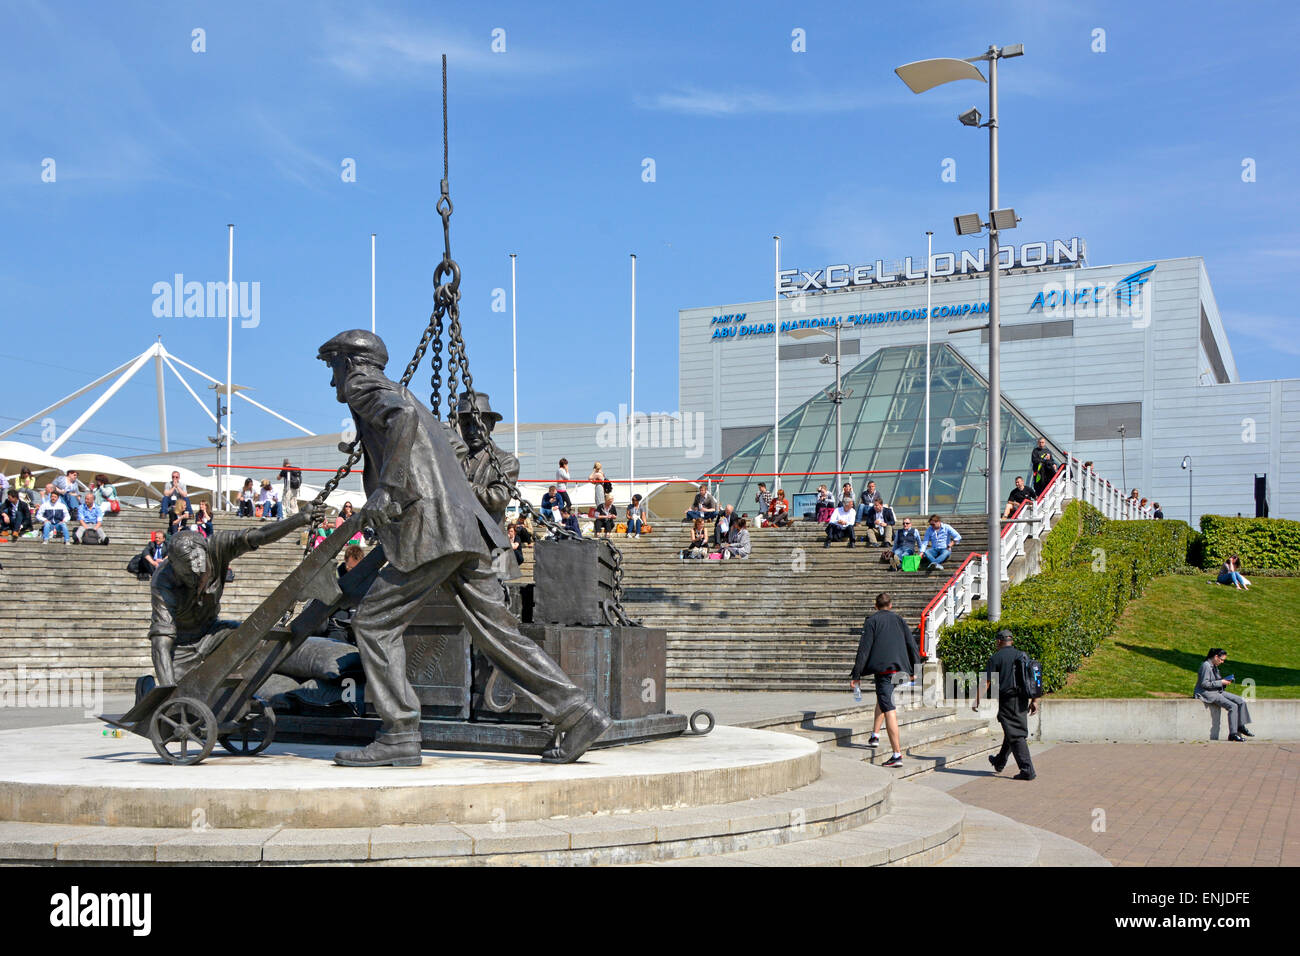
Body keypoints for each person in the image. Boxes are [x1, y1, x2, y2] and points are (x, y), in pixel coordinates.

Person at [317, 329, 610, 766]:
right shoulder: (408, 396)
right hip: (466, 530)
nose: (333, 380)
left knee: (375, 624)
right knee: (499, 632)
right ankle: (577, 712)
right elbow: (452, 446)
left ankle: (398, 732)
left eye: (333, 367)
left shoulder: (366, 385)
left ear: (351, 362)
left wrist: (390, 488)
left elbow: (399, 419)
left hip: (431, 531)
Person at [148, 503, 321, 687]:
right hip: (182, 645)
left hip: (213, 631)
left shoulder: (217, 546)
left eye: (200, 570)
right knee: (179, 694)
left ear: (206, 553)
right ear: (174, 566)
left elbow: (259, 536)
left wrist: (299, 519)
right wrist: (167, 689)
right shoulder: (163, 581)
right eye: (187, 574)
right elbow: (161, 641)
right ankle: (146, 687)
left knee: (256, 641)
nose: (196, 577)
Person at [850, 592, 921, 769]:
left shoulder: (872, 621)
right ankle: (875, 734)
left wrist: (856, 675)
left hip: (884, 672)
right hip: (900, 670)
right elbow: (912, 644)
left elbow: (864, 649)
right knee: (883, 699)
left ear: (876, 606)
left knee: (889, 709)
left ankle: (897, 754)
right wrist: (917, 670)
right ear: (890, 605)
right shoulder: (899, 620)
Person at [974, 629, 1038, 780]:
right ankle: (1000, 761)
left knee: (1016, 734)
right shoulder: (1022, 655)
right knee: (1012, 729)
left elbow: (986, 682)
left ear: (998, 642)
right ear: (1012, 641)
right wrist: (1035, 700)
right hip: (1022, 699)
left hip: (1008, 699)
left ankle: (1027, 770)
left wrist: (976, 699)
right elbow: (1032, 679)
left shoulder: (995, 658)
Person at [1194, 648, 1253, 742]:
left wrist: (1224, 681)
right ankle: (1233, 734)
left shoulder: (1214, 666)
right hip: (1207, 693)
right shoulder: (1206, 666)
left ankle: (1240, 725)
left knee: (1240, 701)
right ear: (1215, 657)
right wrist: (1221, 682)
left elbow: (1215, 681)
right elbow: (1204, 684)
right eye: (1221, 660)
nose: (1222, 662)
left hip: (1216, 690)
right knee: (1232, 706)